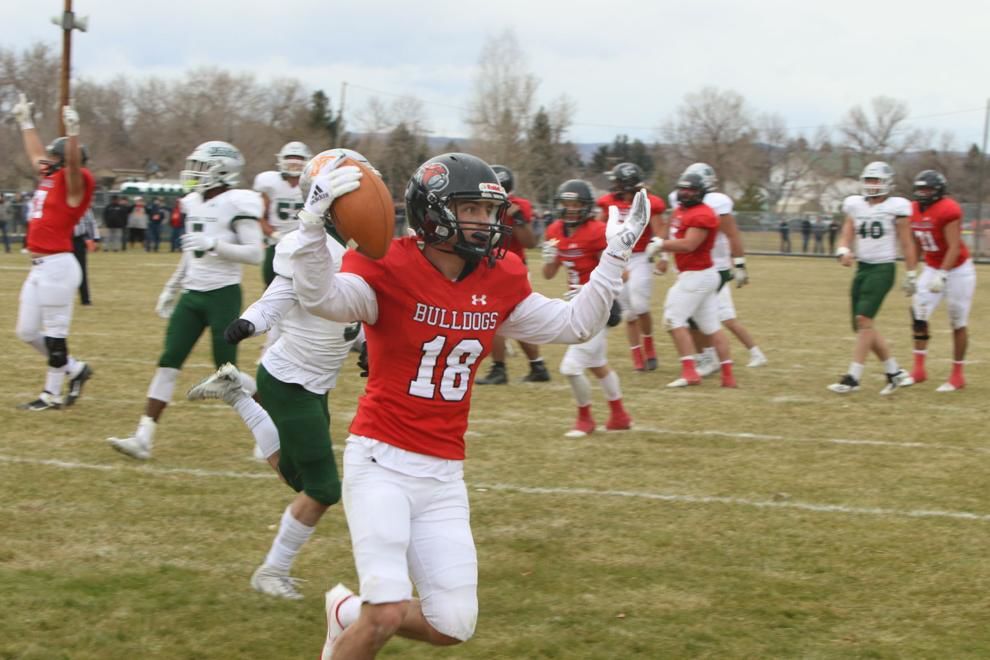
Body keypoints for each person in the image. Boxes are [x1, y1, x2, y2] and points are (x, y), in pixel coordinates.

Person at [289, 152, 649, 659]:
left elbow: (575, 326)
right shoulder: (387, 264)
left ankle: (344, 613)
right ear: (432, 211)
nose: (485, 222)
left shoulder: (499, 276)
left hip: (443, 473)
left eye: (489, 210)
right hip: (381, 461)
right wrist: (310, 225)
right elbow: (319, 297)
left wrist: (615, 256)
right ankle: (360, 619)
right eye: (470, 209)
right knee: (386, 612)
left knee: (453, 623)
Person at [184, 149, 371, 600]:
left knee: (296, 473)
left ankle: (238, 396)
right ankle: (271, 571)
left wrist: (366, 344)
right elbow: (278, 295)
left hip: (317, 381)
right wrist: (250, 323)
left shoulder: (357, 251)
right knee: (322, 487)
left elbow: (358, 307)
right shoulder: (309, 249)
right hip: (289, 380)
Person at [108, 141, 264, 459]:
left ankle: (270, 427)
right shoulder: (192, 201)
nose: (195, 173)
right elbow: (190, 254)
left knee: (227, 372)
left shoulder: (238, 201)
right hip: (192, 295)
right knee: (168, 363)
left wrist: (214, 243)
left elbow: (255, 253)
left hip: (223, 293)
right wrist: (172, 286)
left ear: (223, 171)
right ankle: (143, 438)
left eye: (203, 167)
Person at [10, 93, 95, 410]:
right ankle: (76, 369)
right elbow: (36, 157)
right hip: (41, 265)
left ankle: (51, 394)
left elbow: (73, 165)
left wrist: (73, 133)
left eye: (54, 158)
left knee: (56, 334)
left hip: (58, 265)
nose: (47, 161)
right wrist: (26, 123)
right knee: (27, 331)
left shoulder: (78, 180)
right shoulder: (53, 176)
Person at [658, 163, 767, 374]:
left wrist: (739, 263)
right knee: (722, 316)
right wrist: (663, 255)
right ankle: (740, 355)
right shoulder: (681, 202)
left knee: (693, 317)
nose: (686, 192)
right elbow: (671, 229)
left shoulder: (717, 205)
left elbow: (732, 234)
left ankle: (708, 359)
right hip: (690, 267)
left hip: (713, 266)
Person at [542, 179, 631, 436]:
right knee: (596, 363)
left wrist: (592, 287)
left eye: (576, 204)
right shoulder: (555, 230)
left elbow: (622, 274)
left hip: (598, 304)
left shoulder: (598, 232)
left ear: (587, 206)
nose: (570, 209)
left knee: (571, 367)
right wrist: (549, 260)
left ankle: (585, 419)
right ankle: (619, 415)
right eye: (566, 204)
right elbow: (549, 275)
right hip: (576, 304)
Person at [828, 161, 916, 395]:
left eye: (876, 180)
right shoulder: (855, 205)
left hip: (883, 269)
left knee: (864, 320)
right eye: (868, 180)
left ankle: (853, 377)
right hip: (863, 269)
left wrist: (911, 273)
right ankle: (894, 372)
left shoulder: (897, 207)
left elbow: (907, 242)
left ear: (887, 183)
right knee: (863, 325)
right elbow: (847, 234)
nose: (871, 185)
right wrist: (842, 251)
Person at [647, 172, 735, 388]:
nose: (686, 194)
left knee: (672, 319)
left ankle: (690, 372)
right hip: (697, 274)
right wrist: (662, 245)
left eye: (691, 190)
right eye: (683, 189)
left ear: (702, 192)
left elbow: (689, 244)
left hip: (698, 275)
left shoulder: (703, 214)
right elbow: (671, 233)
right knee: (711, 326)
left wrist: (661, 245)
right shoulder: (680, 210)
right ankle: (728, 376)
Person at [476, 164, 550, 384]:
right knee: (515, 321)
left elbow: (530, 242)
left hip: (511, 269)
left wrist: (517, 218)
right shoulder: (479, 204)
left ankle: (499, 370)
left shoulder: (518, 206)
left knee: (495, 320)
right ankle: (538, 367)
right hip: (491, 267)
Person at [908, 170, 976, 392]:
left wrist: (944, 273)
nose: (923, 193)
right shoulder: (913, 209)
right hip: (931, 266)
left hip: (958, 269)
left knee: (957, 321)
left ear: (939, 191)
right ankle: (918, 369)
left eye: (927, 189)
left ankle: (957, 375)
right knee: (918, 313)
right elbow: (917, 243)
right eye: (920, 189)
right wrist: (910, 272)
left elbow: (954, 246)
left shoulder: (948, 209)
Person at [595, 162, 666, 371]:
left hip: (640, 256)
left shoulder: (649, 201)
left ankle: (649, 346)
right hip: (618, 256)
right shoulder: (608, 203)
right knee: (628, 312)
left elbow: (660, 231)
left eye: (618, 182)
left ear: (627, 183)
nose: (614, 186)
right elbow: (598, 230)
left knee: (640, 306)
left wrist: (663, 255)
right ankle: (637, 355)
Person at [72, 206, 99, 305]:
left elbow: (91, 222)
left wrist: (95, 239)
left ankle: (85, 299)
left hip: (78, 240)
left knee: (81, 270)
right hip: (64, 239)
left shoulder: (84, 206)